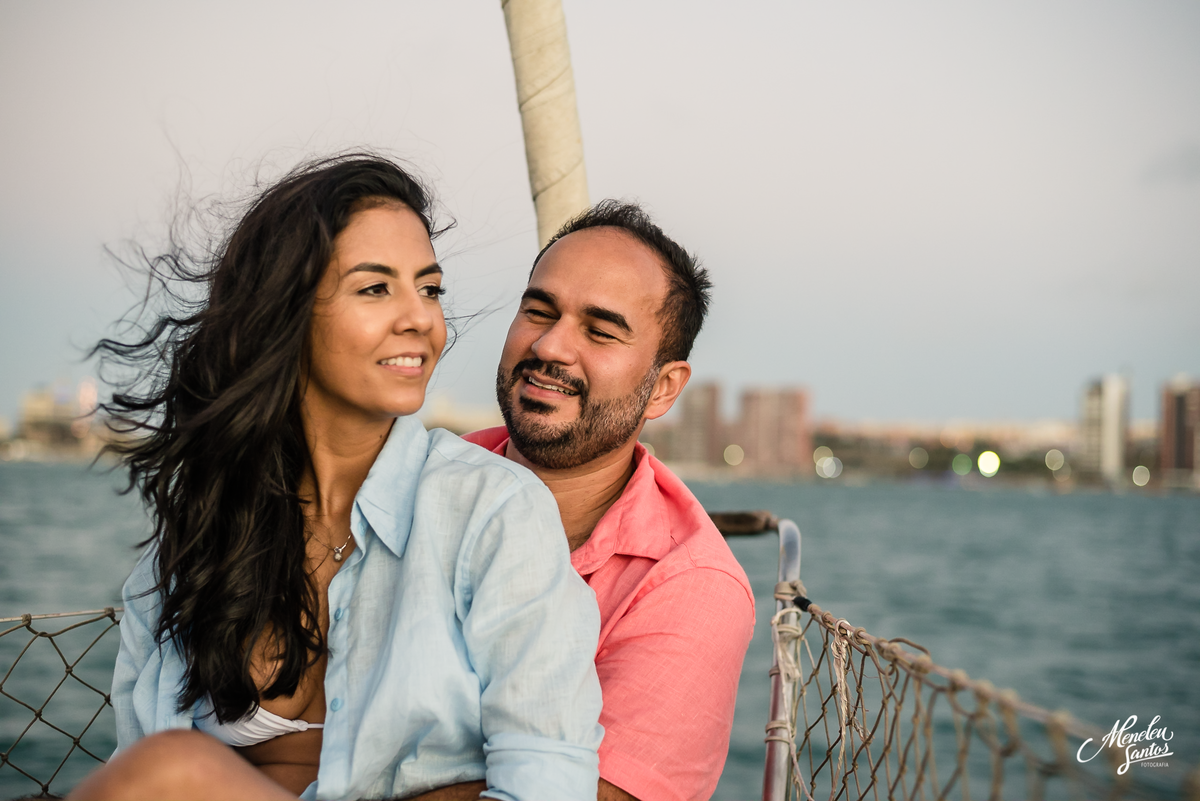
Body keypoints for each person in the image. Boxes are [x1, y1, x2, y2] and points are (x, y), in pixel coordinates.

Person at [70, 155, 603, 801]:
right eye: (375, 288)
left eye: (430, 289)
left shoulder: (493, 511)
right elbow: (132, 748)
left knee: (172, 768)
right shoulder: (199, 535)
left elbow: (548, 780)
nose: (420, 318)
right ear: (284, 311)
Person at [462, 201, 756, 801]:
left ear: (663, 388)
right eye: (538, 311)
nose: (550, 346)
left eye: (599, 331)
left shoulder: (691, 588)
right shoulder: (418, 481)